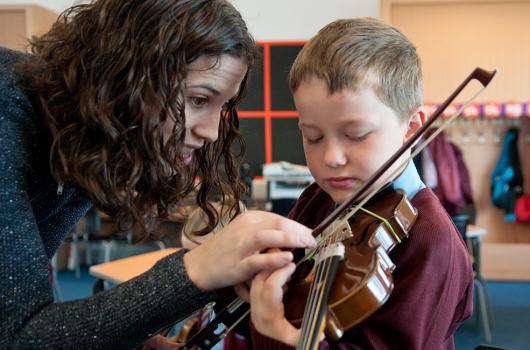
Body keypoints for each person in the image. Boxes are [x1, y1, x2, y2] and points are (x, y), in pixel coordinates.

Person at [0, 0, 316, 348]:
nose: (212, 131)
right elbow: (20, 337)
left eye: (222, 106)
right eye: (198, 100)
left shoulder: (84, 130)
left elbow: (26, 304)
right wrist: (197, 272)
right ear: (127, 77)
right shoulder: (6, 116)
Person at [236, 17, 474, 349]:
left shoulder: (431, 241)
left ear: (412, 128)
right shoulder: (319, 199)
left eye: (356, 135)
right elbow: (290, 299)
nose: (331, 157)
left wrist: (272, 329)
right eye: (312, 136)